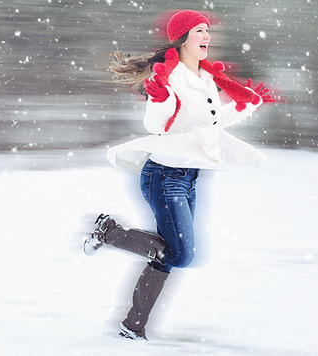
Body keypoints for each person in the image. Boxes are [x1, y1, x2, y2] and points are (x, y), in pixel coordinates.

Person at [83, 10, 275, 341]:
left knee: (168, 255)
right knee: (182, 254)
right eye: (200, 30)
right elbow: (157, 125)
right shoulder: (170, 77)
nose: (207, 36)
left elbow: (208, 126)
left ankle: (133, 326)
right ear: (183, 37)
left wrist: (247, 105)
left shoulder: (205, 78)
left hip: (189, 176)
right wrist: (158, 99)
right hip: (164, 175)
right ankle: (110, 232)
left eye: (207, 30)